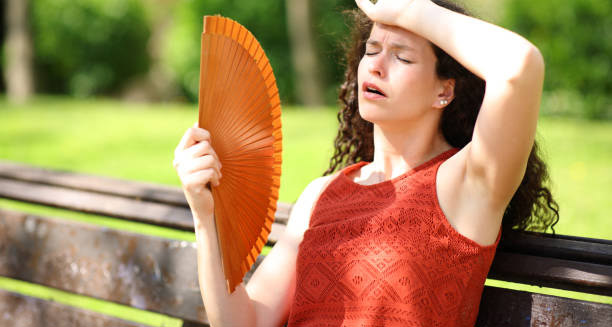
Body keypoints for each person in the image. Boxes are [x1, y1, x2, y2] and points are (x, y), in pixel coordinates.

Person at [172, 0, 559, 326]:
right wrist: (206, 217)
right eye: (371, 50)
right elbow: (246, 321)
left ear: (444, 91)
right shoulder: (321, 195)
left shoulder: (465, 186)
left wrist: (411, 9)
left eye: (401, 56)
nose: (375, 66)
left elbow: (519, 66)